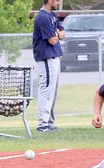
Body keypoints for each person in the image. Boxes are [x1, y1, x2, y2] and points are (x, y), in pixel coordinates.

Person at [32, 0, 65, 132]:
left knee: (52, 92)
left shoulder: (52, 15)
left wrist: (57, 34)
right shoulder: (42, 16)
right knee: (46, 90)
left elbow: (63, 33)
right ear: (49, 0)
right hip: (46, 57)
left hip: (55, 56)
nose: (58, 2)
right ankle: (42, 124)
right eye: (56, 0)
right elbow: (52, 40)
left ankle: (49, 122)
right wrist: (57, 34)